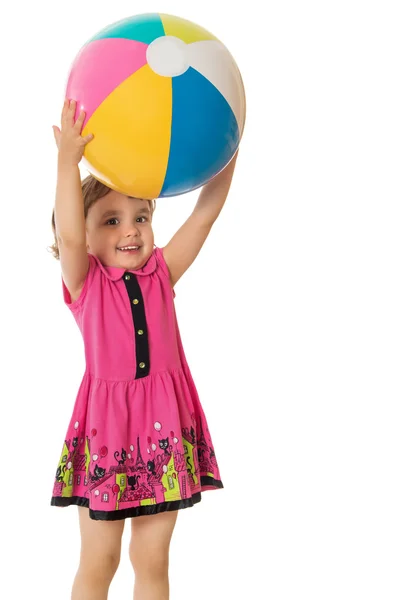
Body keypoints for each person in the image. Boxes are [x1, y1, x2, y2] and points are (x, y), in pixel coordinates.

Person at [49, 98, 238, 600]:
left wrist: (227, 147)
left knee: (151, 559)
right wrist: (68, 162)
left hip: (164, 431)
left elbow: (205, 215)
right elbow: (67, 233)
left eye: (141, 217)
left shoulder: (161, 274)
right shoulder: (86, 283)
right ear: (88, 237)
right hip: (107, 433)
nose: (131, 229)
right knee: (101, 557)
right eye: (111, 221)